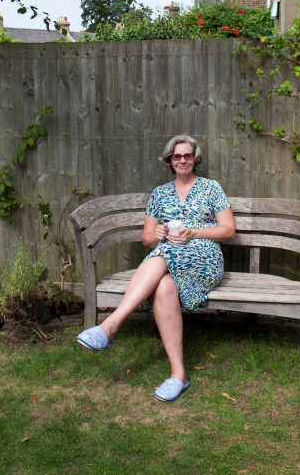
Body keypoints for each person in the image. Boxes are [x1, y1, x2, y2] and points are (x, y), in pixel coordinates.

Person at [76, 134, 236, 401]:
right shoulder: (160, 194)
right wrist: (160, 231)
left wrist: (193, 233)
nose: (182, 160)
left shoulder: (211, 188)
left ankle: (111, 325)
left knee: (164, 254)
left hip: (204, 256)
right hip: (168, 256)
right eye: (177, 156)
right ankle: (178, 375)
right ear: (169, 160)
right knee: (163, 286)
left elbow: (228, 229)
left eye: (187, 155)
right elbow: (147, 238)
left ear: (194, 158)